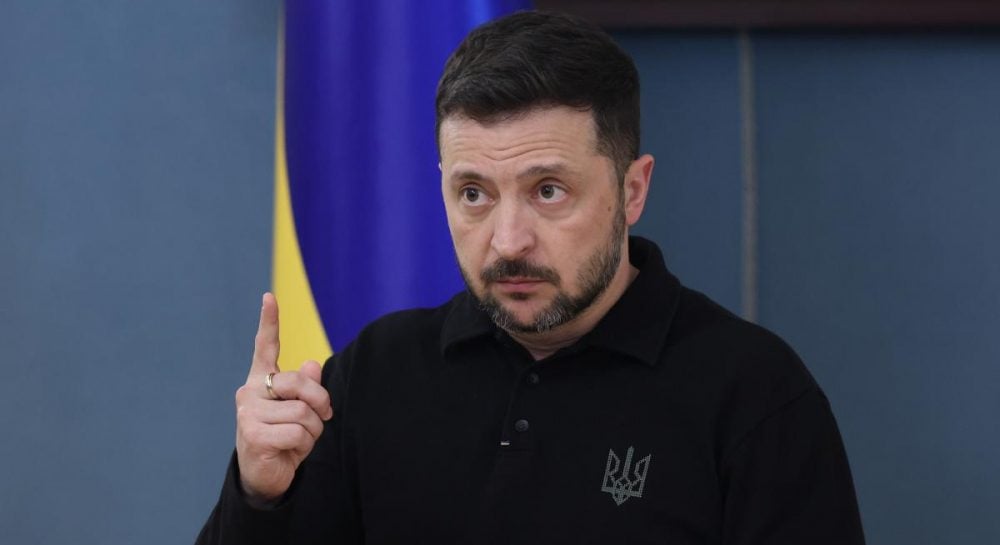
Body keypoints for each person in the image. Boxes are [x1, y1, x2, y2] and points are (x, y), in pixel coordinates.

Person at [197, 10, 865, 545]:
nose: (508, 241)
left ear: (632, 190)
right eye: (474, 194)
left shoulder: (755, 396)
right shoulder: (372, 375)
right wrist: (260, 497)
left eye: (548, 190)